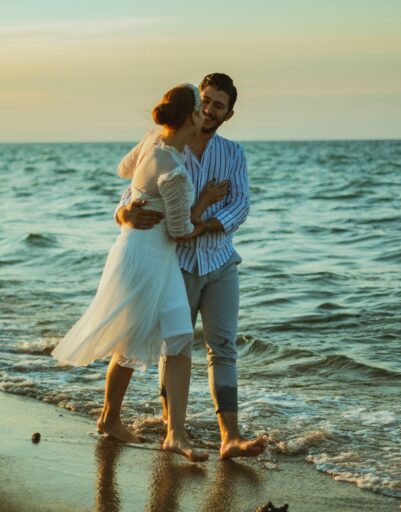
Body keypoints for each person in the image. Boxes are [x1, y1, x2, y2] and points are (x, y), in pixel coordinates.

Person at [52, 83, 218, 462]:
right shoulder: (174, 170)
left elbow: (124, 169)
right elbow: (180, 231)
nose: (203, 115)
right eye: (200, 109)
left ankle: (174, 433)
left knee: (177, 338)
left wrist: (131, 202)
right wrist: (204, 208)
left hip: (148, 254)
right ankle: (110, 418)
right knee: (131, 341)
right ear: (192, 116)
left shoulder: (152, 142)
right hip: (145, 259)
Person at [116, 73, 267, 459]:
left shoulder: (232, 154)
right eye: (207, 101)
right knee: (174, 344)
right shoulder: (166, 143)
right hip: (176, 262)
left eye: (220, 104)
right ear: (196, 106)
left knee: (223, 347)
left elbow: (241, 204)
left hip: (220, 261)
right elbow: (131, 191)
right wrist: (124, 214)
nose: (211, 109)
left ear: (229, 114)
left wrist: (208, 225)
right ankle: (174, 431)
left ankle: (230, 436)